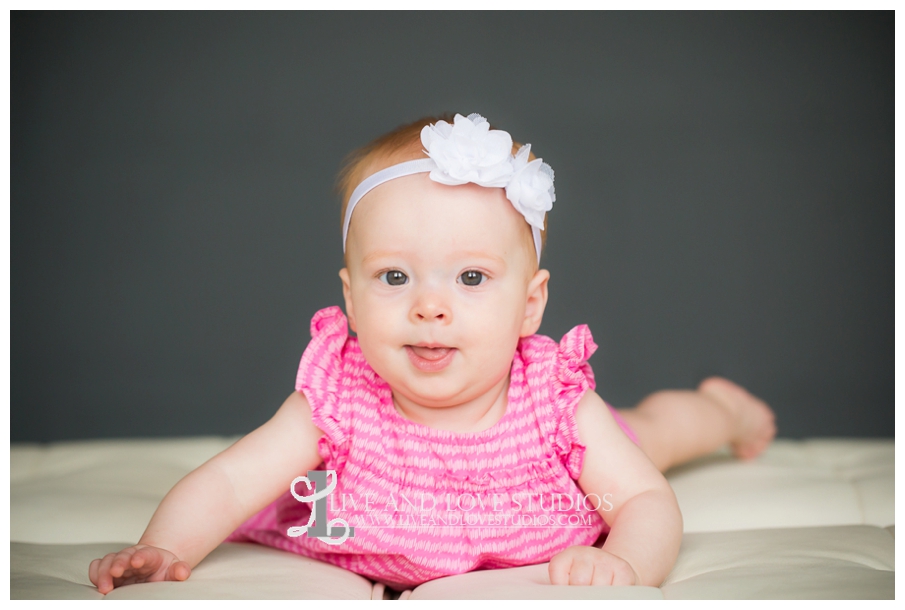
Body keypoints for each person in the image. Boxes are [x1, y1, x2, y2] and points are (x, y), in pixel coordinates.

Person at [89, 113, 776, 594]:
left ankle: (720, 411)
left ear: (530, 305)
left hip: (562, 475)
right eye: (394, 277)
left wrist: (624, 562)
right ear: (351, 299)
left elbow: (645, 502)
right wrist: (165, 548)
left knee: (650, 437)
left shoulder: (556, 402)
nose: (429, 306)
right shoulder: (334, 401)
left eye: (470, 278)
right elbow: (231, 482)